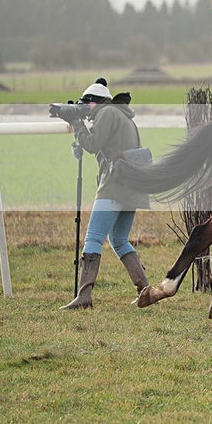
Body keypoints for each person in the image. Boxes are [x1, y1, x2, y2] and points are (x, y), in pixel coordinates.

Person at [60, 78, 151, 310]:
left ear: (94, 102)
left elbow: (92, 144)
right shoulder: (122, 115)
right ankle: (146, 290)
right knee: (119, 240)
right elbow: (105, 148)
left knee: (93, 239)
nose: (84, 110)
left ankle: (84, 296)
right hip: (132, 186)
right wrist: (80, 132)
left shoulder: (107, 113)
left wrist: (76, 124)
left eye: (85, 105)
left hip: (114, 186)